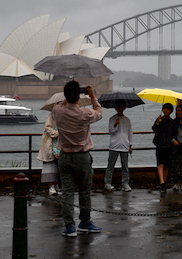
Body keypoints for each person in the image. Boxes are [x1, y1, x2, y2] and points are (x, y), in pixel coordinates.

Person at [52, 80, 103, 237]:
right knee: (84, 190)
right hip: (82, 156)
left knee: (67, 192)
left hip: (64, 156)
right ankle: (85, 222)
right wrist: (92, 97)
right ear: (78, 96)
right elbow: (99, 113)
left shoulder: (58, 111)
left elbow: (60, 106)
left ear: (66, 95)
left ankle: (69, 226)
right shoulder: (85, 113)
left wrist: (69, 96)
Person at [104, 100, 133, 192]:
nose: (120, 109)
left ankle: (125, 183)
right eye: (118, 107)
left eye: (122, 107)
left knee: (125, 166)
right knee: (110, 165)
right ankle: (107, 183)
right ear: (116, 108)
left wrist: (130, 145)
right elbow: (111, 131)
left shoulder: (127, 120)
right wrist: (115, 124)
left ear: (124, 108)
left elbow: (130, 133)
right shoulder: (112, 119)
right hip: (114, 145)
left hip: (124, 145)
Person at [151, 103, 176, 191]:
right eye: (164, 109)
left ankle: (163, 182)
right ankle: (162, 182)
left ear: (171, 111)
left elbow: (174, 134)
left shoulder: (172, 122)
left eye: (168, 109)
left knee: (167, 166)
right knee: (160, 164)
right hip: (160, 145)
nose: (166, 111)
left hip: (169, 146)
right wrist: (158, 122)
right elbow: (154, 129)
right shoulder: (159, 120)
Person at [38, 114, 61, 195]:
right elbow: (47, 128)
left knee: (60, 167)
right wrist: (57, 133)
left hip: (61, 143)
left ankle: (58, 185)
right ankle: (51, 185)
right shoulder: (52, 116)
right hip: (51, 143)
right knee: (50, 165)